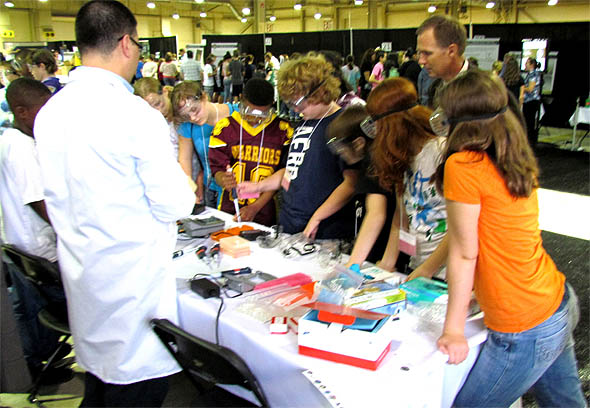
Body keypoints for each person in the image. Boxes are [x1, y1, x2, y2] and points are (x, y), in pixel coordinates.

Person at [34, 1, 196, 406]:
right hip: (132, 289)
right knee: (134, 390)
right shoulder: (133, 114)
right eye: (139, 45)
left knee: (101, 386)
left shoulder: (51, 111)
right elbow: (176, 203)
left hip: (85, 276)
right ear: (126, 43)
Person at [433, 70, 585, 407]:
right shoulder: (514, 156)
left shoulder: (464, 164)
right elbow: (495, 236)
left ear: (459, 121)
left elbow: (463, 252)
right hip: (554, 300)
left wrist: (454, 330)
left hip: (523, 325)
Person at [238, 55, 358, 240]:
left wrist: (318, 217)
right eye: (290, 103)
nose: (294, 109)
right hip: (291, 224)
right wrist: (259, 185)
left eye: (298, 102)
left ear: (319, 92)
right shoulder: (304, 123)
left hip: (326, 230)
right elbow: (291, 170)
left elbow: (351, 183)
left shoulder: (342, 125)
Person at [0, 77, 72, 383]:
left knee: (32, 313)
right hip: (38, 247)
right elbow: (37, 201)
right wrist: (71, 231)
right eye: (43, 110)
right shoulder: (22, 149)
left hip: (18, 241)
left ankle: (41, 361)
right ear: (22, 111)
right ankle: (36, 367)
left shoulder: (8, 139)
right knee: (38, 311)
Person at [367, 77, 448, 280]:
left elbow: (461, 227)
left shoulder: (441, 152)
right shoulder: (401, 156)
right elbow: (401, 215)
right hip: (418, 267)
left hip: (447, 272)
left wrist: (427, 270)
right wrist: (386, 264)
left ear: (390, 124)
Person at [325, 105, 409, 270]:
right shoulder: (380, 156)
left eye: (341, 150)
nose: (339, 154)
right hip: (386, 250)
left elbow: (376, 214)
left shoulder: (373, 162)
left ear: (358, 143)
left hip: (381, 249)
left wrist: (353, 264)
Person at [209, 78, 292, 225]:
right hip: (230, 209)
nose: (254, 119)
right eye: (249, 111)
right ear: (241, 99)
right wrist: (223, 179)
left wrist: (255, 207)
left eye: (262, 114)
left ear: (272, 105)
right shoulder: (225, 127)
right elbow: (217, 171)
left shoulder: (283, 130)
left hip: (265, 211)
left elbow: (283, 175)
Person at [172, 80, 239, 207]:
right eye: (186, 116)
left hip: (238, 188)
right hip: (210, 190)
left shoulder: (235, 114)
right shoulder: (187, 126)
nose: (192, 118)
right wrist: (189, 189)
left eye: (195, 110)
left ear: (204, 97)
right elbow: (184, 159)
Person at [416, 15, 469, 104]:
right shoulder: (434, 87)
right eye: (419, 53)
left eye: (427, 53)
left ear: (452, 51)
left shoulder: (484, 90)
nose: (421, 61)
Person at [522, 57, 542, 148]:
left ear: (531, 65)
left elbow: (530, 89)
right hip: (529, 101)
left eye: (527, 63)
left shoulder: (533, 75)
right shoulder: (530, 74)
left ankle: (530, 141)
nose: (525, 65)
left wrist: (521, 88)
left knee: (529, 122)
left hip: (531, 101)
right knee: (527, 121)